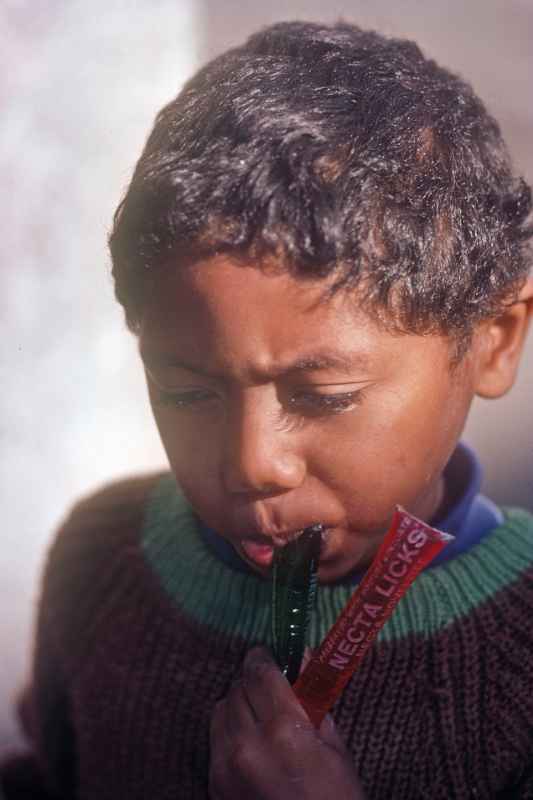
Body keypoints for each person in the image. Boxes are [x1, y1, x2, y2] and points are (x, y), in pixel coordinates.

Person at [2, 19, 533, 800]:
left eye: (323, 397)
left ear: (493, 340)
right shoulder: (105, 558)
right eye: (187, 391)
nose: (252, 464)